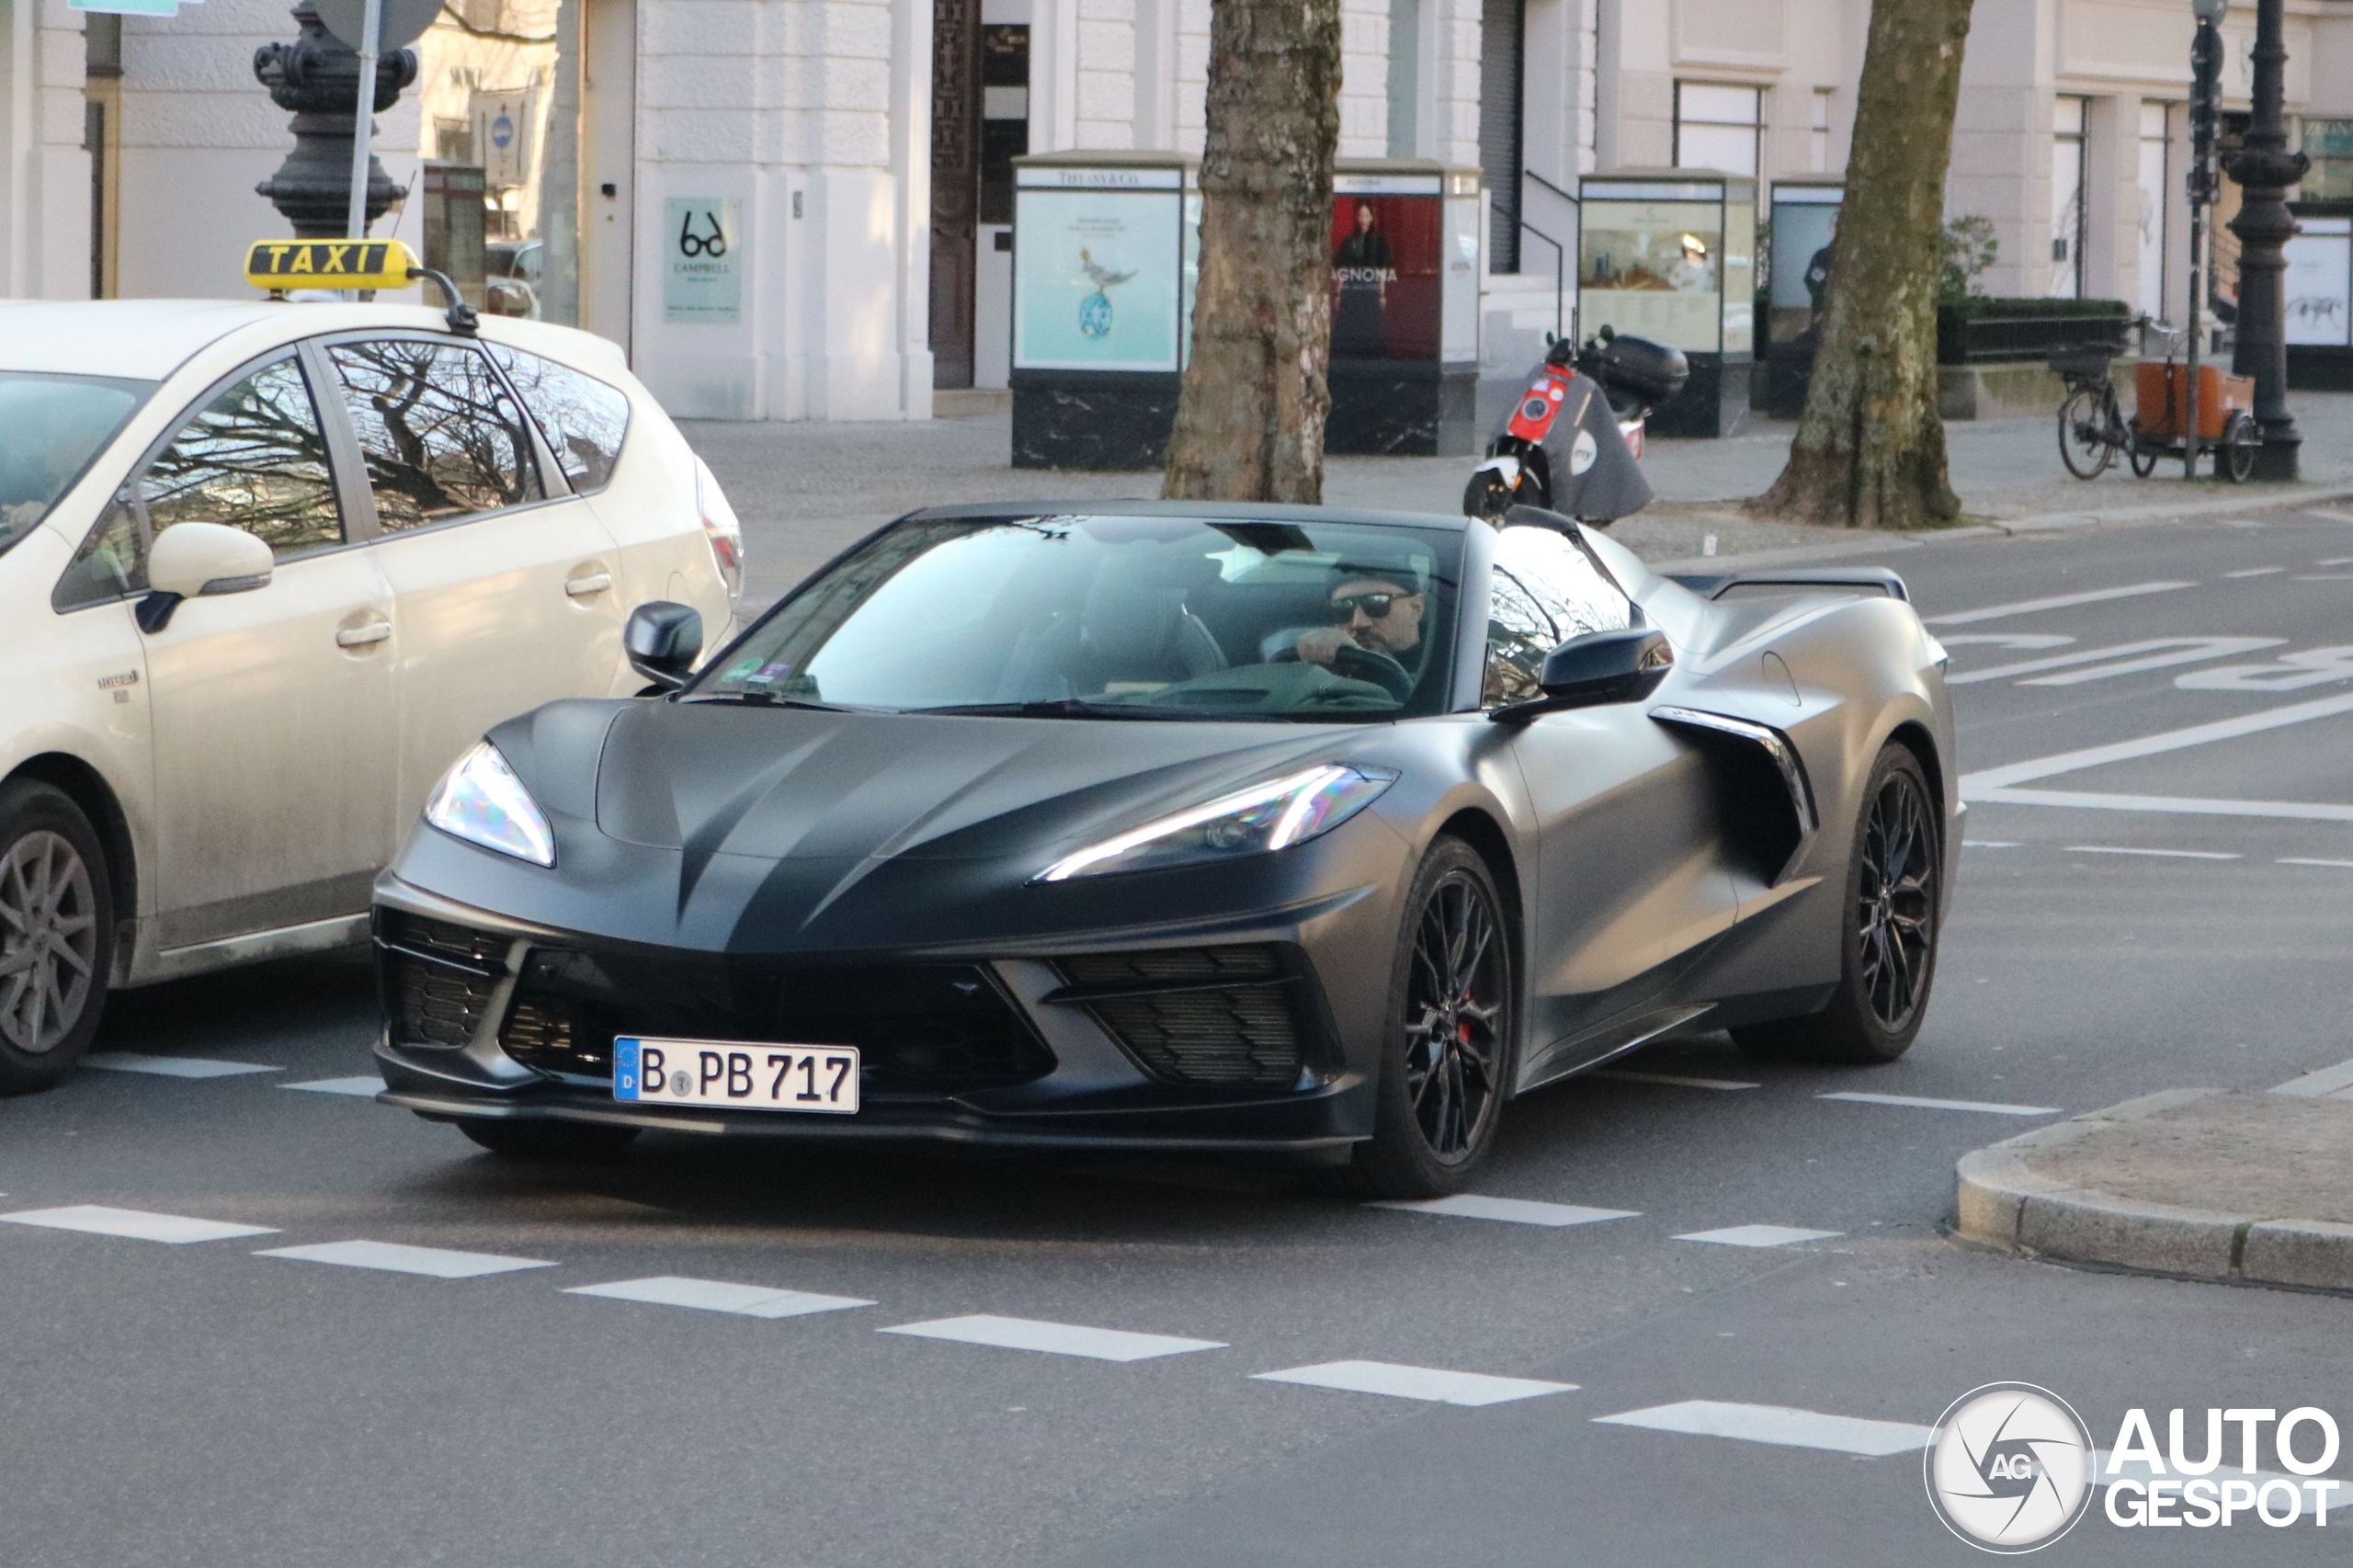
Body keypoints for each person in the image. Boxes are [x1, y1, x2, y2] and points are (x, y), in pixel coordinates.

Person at [1289, 562, 1429, 700]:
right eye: (1343, 608)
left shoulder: (1445, 668)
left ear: (1415, 608)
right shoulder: (1324, 675)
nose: (1359, 623)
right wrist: (1316, 674)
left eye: (1377, 602)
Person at [1332, 202, 1394, 358]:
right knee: (1350, 324)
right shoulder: (1349, 241)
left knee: (1371, 323)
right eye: (1361, 216)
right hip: (1352, 291)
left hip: (1370, 291)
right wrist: (1338, 293)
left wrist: (1382, 293)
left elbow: (1381, 270)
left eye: (1367, 215)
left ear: (1372, 218)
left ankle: (1372, 356)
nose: (1364, 219)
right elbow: (1342, 268)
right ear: (1357, 218)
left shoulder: (1379, 241)